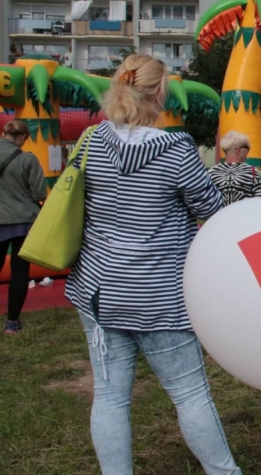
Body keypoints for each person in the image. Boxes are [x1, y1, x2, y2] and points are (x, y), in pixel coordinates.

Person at [64, 54, 242, 474]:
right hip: (160, 295)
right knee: (190, 394)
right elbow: (212, 209)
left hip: (99, 291)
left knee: (109, 396)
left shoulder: (91, 142)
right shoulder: (177, 150)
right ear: (160, 93)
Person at [0, 119, 47, 334]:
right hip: (24, 221)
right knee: (20, 270)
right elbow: (38, 192)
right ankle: (12, 322)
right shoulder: (27, 158)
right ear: (21, 137)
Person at [207, 130, 261, 205]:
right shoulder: (253, 172)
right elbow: (259, 201)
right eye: (247, 148)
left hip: (219, 212)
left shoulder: (211, 172)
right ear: (238, 150)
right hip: (243, 212)